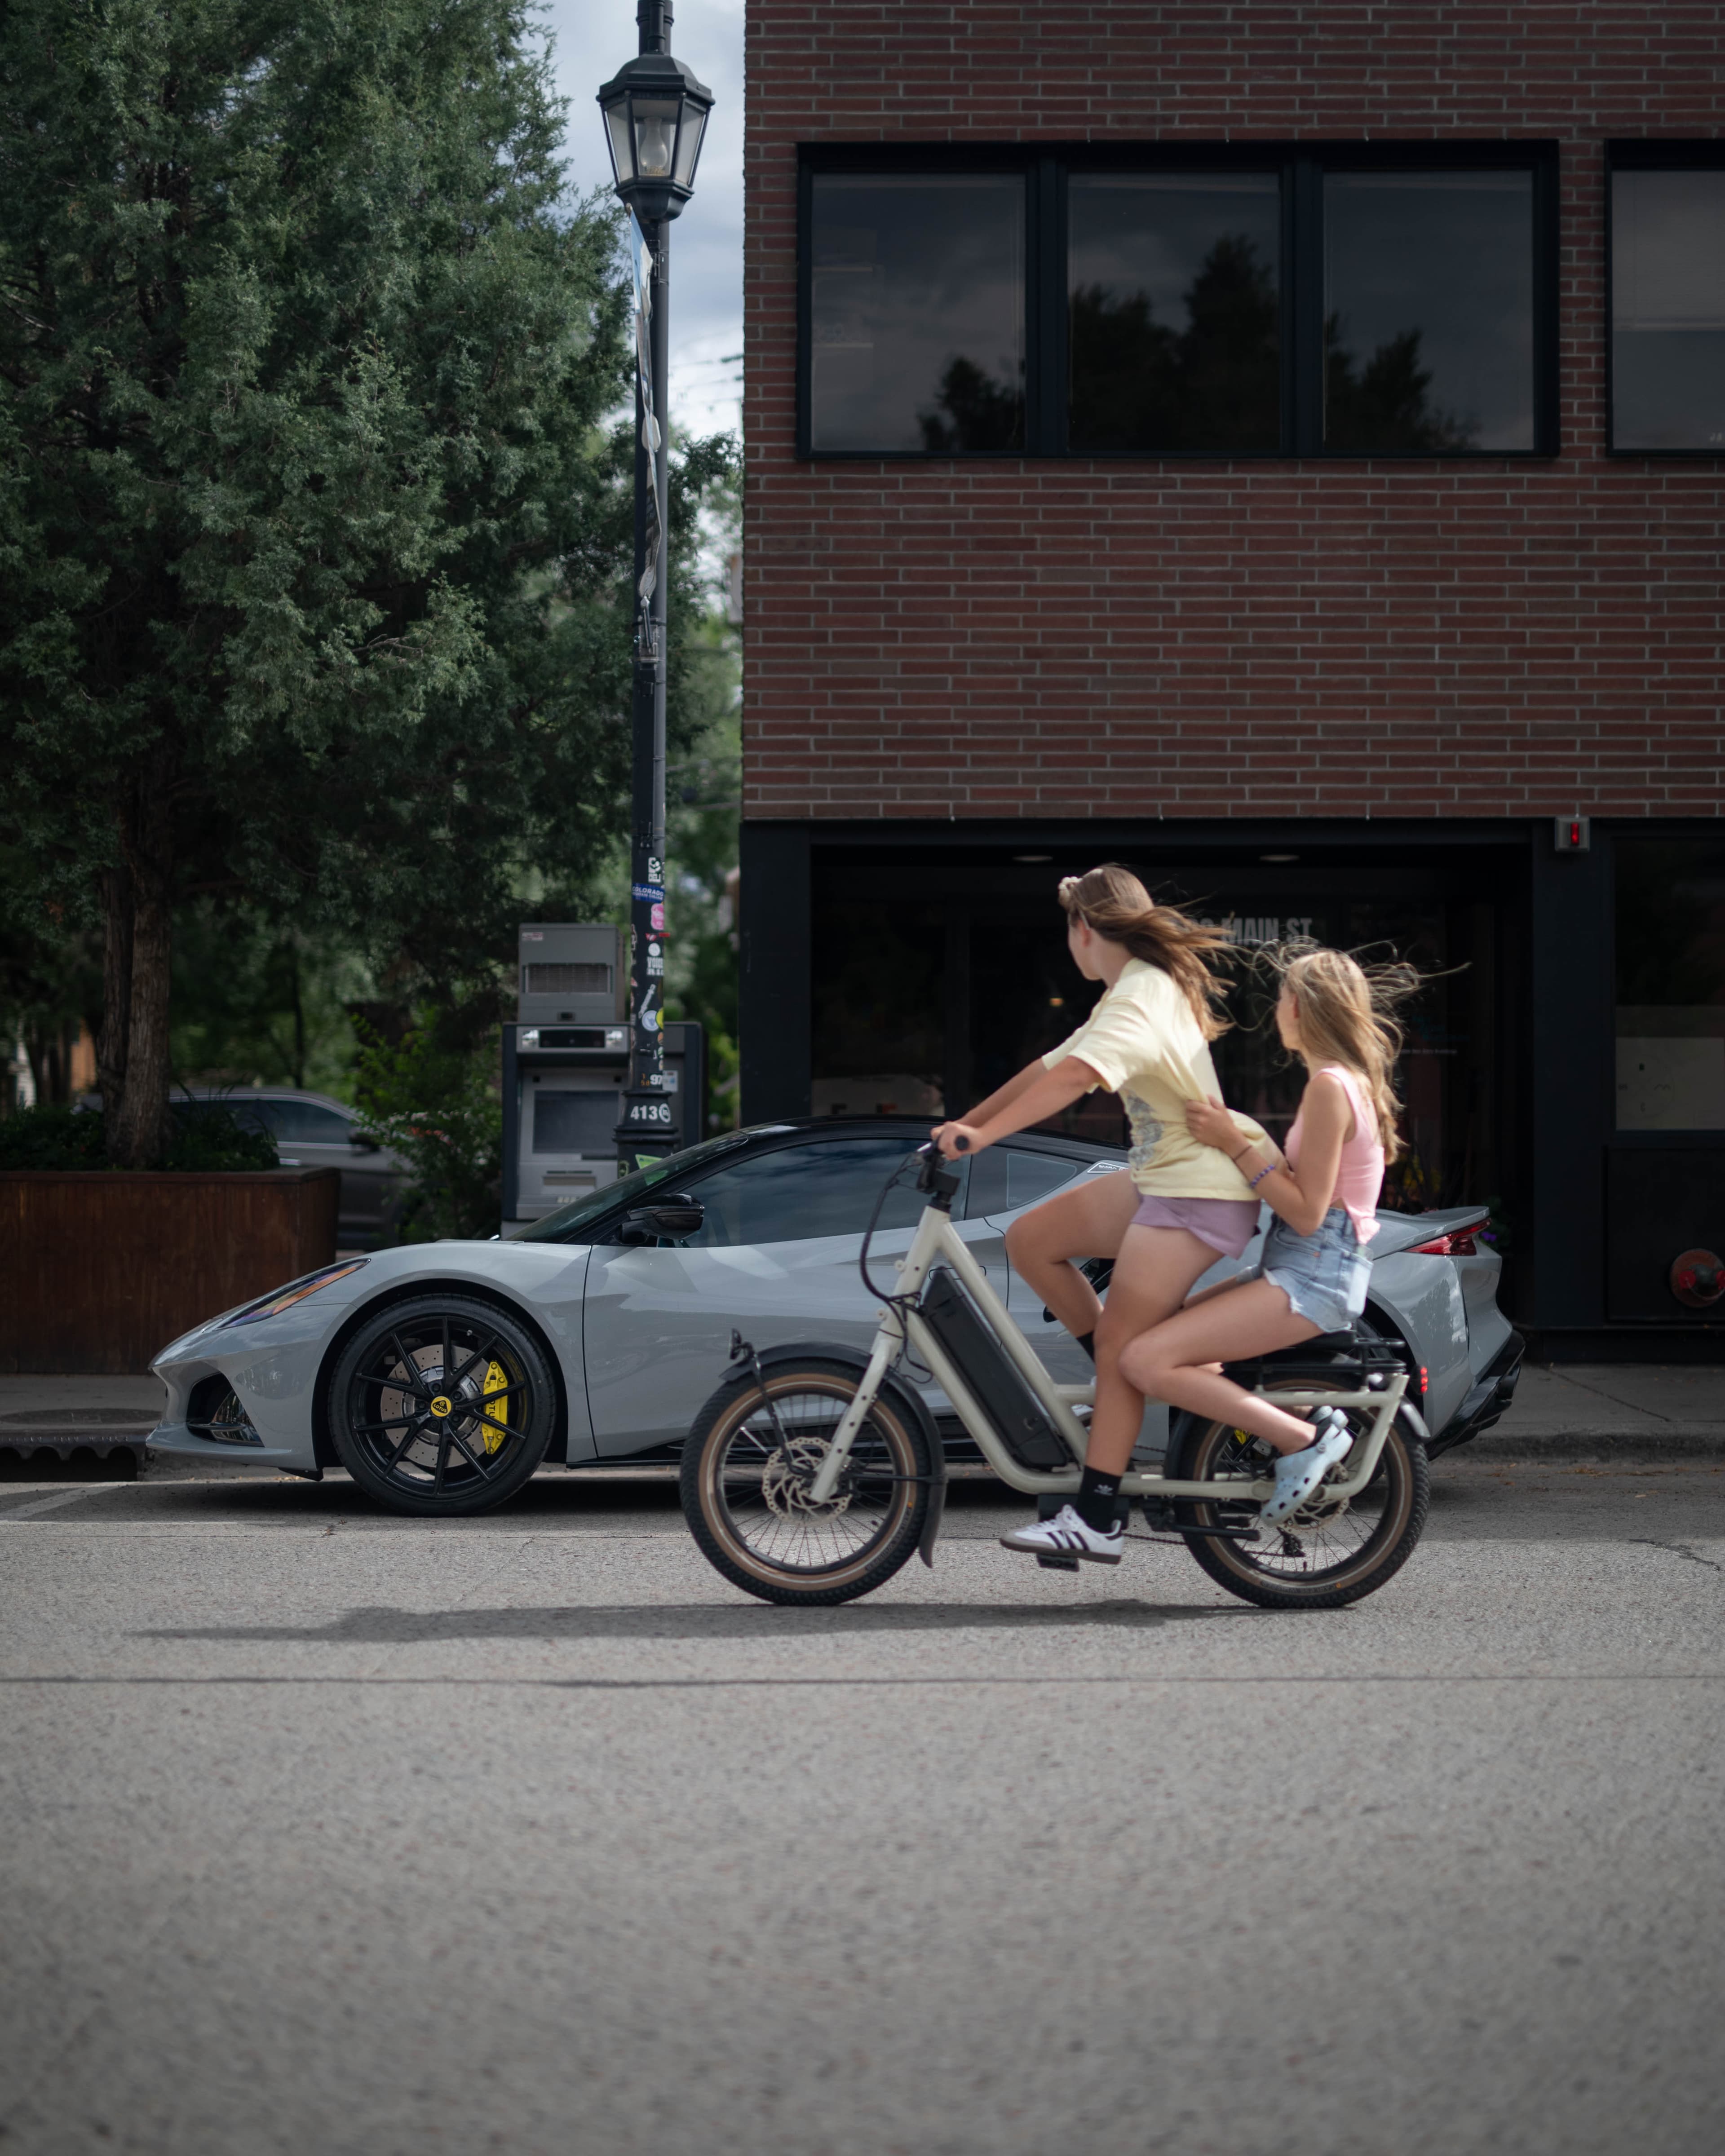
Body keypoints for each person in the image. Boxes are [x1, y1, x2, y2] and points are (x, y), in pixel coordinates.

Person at [929, 863, 1269, 1565]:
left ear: (1083, 929)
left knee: (1123, 1348)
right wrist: (965, 1123)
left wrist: (985, 1139)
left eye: (1068, 931)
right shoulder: (1130, 990)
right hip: (1162, 1180)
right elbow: (1050, 1069)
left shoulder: (1140, 996)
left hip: (1193, 1194)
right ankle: (1119, 1394)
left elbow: (1079, 1080)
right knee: (1033, 1239)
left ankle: (1097, 1517)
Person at [1116, 945, 1407, 1527]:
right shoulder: (1344, 1083)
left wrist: (1234, 1143)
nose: (1276, 1008)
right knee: (1163, 1340)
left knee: (1146, 1360)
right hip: (1307, 1266)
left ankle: (1300, 1438)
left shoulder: (1330, 1088)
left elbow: (1305, 1211)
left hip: (1314, 1273)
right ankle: (1306, 1418)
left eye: (1281, 997)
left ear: (1299, 1007)